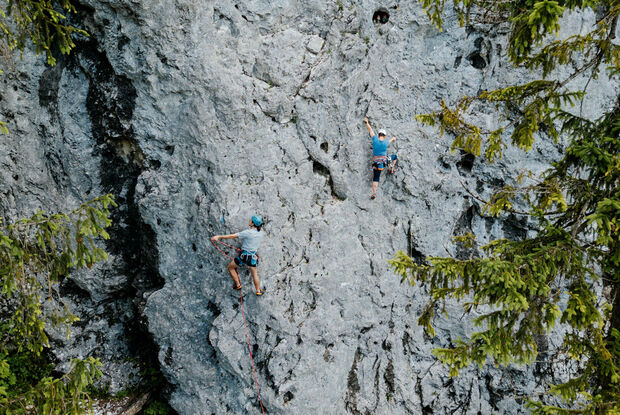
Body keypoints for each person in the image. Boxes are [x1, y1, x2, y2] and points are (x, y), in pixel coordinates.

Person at [211, 215, 265, 296]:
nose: (249, 220)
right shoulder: (261, 233)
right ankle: (258, 290)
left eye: (251, 220)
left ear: (253, 223)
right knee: (255, 274)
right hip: (253, 257)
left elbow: (232, 236)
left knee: (230, 267)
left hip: (244, 257)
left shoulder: (248, 232)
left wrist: (219, 236)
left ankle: (238, 285)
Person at [364, 117, 398, 199]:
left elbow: (370, 130)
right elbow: (390, 141)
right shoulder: (386, 142)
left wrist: (367, 122)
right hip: (384, 161)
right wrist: (393, 138)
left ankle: (374, 193)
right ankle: (392, 167)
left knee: (376, 178)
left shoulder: (375, 139)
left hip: (376, 163)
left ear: (378, 135)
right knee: (394, 157)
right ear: (385, 136)